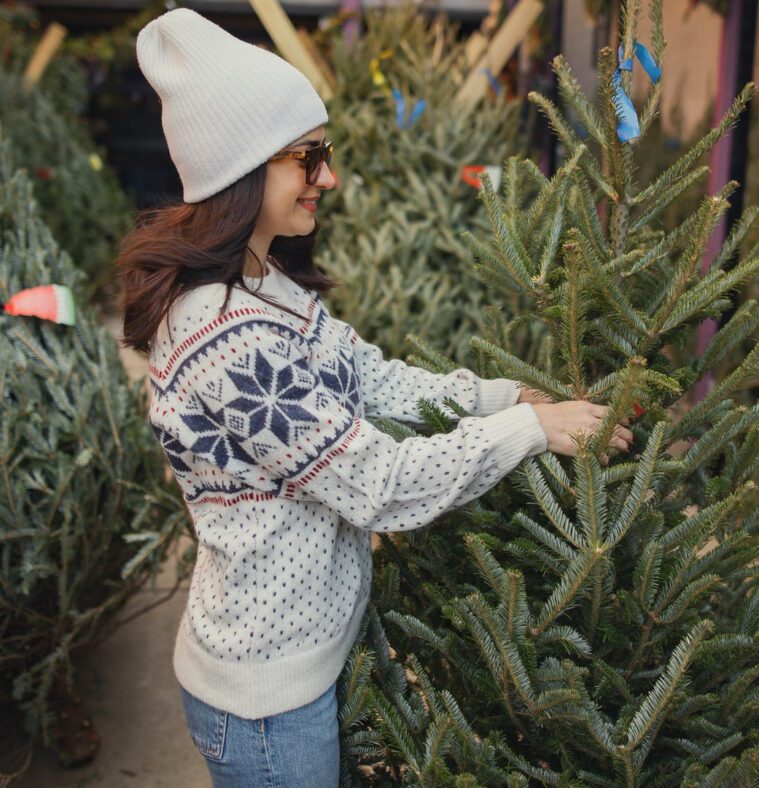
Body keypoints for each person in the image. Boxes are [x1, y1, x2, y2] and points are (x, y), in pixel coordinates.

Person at [118, 9, 633, 786]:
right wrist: (528, 429)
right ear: (243, 168)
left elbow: (376, 378)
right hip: (265, 703)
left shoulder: (266, 286)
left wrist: (503, 395)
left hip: (311, 662)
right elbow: (375, 485)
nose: (330, 177)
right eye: (308, 157)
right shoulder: (226, 338)